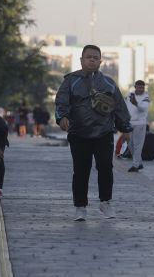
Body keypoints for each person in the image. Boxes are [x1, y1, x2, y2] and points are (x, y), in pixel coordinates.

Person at [55, 45, 133, 221]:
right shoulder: (70, 81)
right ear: (81, 60)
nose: (91, 60)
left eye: (95, 57)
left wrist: (126, 128)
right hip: (78, 133)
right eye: (88, 57)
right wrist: (62, 118)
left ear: (100, 61)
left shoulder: (109, 83)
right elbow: (61, 102)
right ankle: (80, 207)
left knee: (105, 167)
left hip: (104, 133)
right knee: (81, 170)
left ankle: (105, 202)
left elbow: (120, 107)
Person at [125, 80, 150, 172]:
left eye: (142, 87)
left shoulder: (146, 97)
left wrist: (136, 103)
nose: (141, 89)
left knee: (137, 145)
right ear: (135, 87)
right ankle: (139, 163)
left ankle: (135, 165)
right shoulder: (129, 96)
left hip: (140, 123)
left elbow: (143, 108)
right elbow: (123, 106)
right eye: (139, 87)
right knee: (130, 144)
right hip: (129, 123)